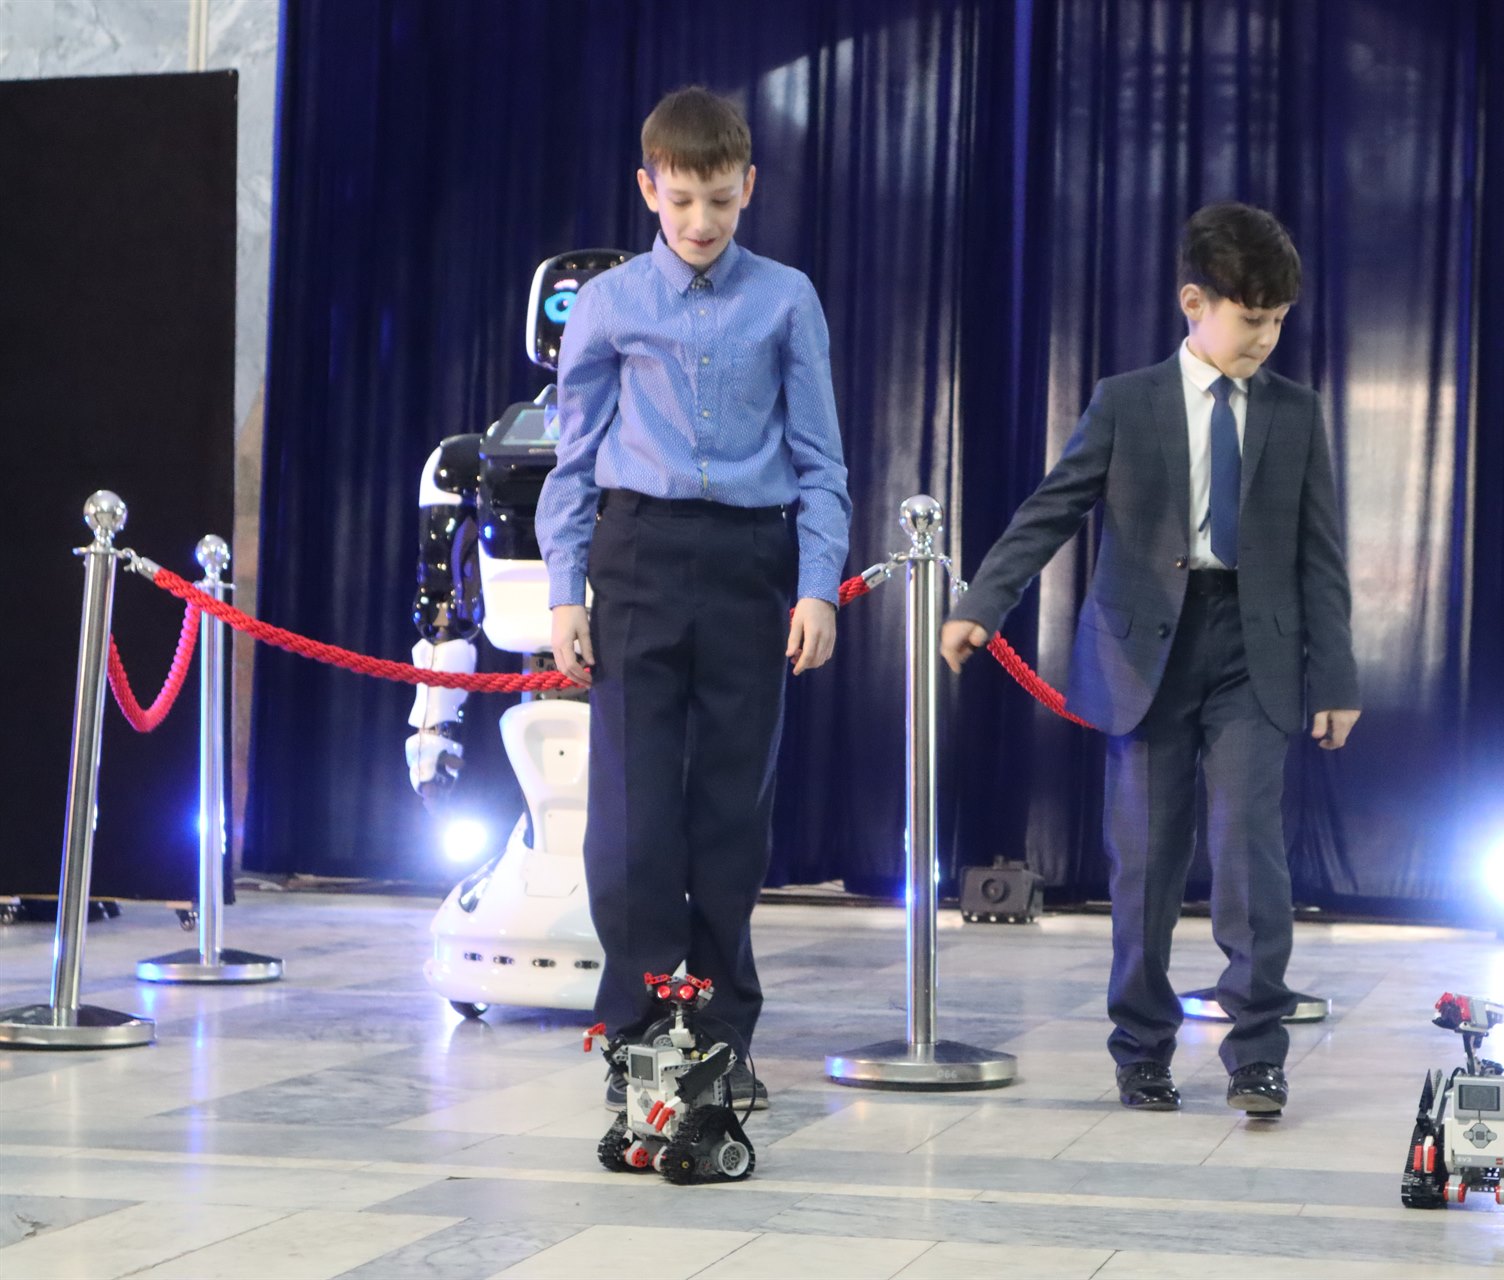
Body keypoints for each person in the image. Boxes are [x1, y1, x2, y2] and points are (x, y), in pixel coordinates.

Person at [941, 202, 1360, 1115]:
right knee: (1145, 863)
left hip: (1255, 652)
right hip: (1147, 657)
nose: (1267, 337)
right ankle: (1140, 1049)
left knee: (1249, 852)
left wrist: (1335, 677)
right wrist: (982, 603)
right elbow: (1051, 509)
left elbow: (1320, 554)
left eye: (1280, 320)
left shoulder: (1295, 413)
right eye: (1252, 319)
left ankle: (1257, 1054)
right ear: (1194, 303)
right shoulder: (1126, 401)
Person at [536, 86, 851, 1111]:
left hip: (751, 562)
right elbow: (573, 460)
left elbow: (821, 461)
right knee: (630, 817)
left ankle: (720, 1035)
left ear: (748, 186)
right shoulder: (610, 304)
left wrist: (818, 586)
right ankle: (637, 1030)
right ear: (648, 189)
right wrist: (565, 591)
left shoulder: (788, 299)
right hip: (637, 554)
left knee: (729, 813)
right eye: (681, 201)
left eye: (719, 199)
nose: (701, 221)